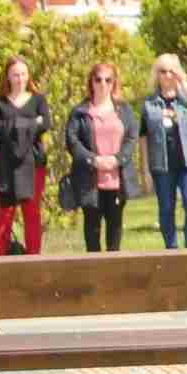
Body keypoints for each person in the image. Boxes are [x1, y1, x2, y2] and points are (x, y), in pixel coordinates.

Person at [59, 61, 137, 253]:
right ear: (91, 82)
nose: (103, 84)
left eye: (108, 80)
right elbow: (72, 141)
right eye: (98, 79)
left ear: (114, 83)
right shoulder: (80, 112)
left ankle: (113, 276)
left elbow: (131, 137)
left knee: (114, 232)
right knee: (92, 233)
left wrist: (118, 159)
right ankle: (93, 276)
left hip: (117, 181)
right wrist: (93, 160)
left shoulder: (124, 110)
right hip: (90, 182)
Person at [136, 53, 187, 250]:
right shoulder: (149, 104)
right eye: (163, 71)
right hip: (162, 164)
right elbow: (143, 137)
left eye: (171, 71)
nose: (167, 75)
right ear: (156, 75)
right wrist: (144, 170)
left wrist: (184, 84)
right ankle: (171, 249)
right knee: (166, 209)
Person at [0, 56, 51, 257]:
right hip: (4, 166)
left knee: (32, 213)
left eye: (23, 74)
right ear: (8, 76)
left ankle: (33, 258)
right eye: (15, 74)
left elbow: (45, 124)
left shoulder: (38, 100)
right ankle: (1, 260)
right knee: (5, 214)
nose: (19, 78)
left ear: (28, 75)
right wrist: (31, 123)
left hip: (33, 165)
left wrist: (12, 124)